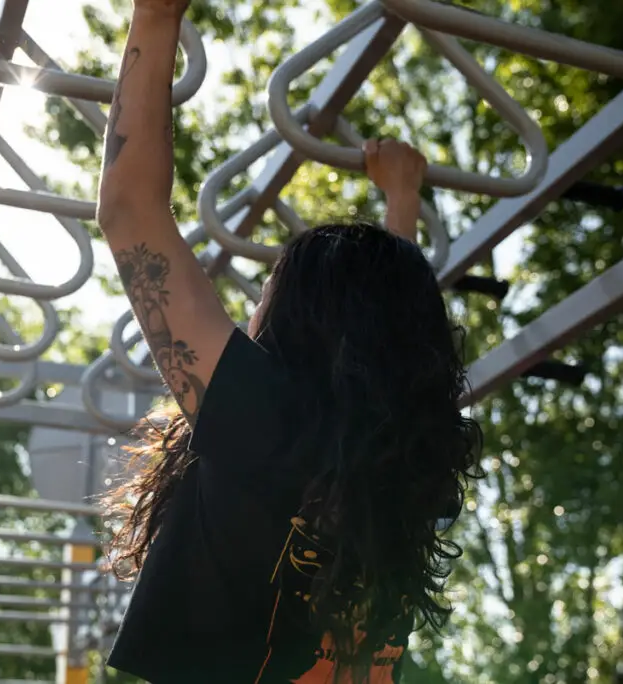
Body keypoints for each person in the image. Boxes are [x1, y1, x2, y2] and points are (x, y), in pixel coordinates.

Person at [94, 1, 482, 682]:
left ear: (295, 323)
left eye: (267, 293)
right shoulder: (406, 461)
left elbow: (131, 209)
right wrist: (401, 205)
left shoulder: (265, 417)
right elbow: (389, 339)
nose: (250, 314)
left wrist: (156, 18)